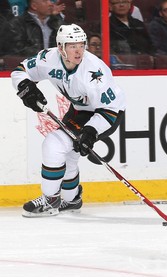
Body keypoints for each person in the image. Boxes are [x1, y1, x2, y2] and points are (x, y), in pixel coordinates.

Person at [11, 23, 126, 217]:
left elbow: (110, 110)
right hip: (80, 110)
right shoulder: (48, 58)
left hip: (106, 114)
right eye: (72, 45)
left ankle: (50, 200)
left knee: (53, 144)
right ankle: (72, 200)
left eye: (81, 44)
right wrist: (25, 88)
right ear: (60, 47)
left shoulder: (94, 72)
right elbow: (20, 70)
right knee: (69, 155)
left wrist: (90, 131)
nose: (78, 50)